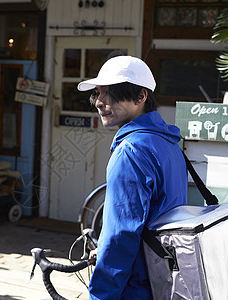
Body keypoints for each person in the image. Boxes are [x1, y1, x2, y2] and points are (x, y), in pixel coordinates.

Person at [77, 55, 188, 299]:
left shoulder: (131, 151)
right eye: (97, 93)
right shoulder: (167, 142)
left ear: (141, 96)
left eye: (110, 94)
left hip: (136, 288)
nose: (99, 102)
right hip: (165, 281)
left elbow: (121, 235)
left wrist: (101, 296)